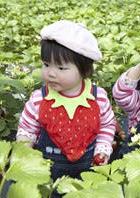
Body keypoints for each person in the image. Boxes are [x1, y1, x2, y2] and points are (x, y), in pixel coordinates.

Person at [16, 20, 116, 185]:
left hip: (88, 168)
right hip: (48, 168)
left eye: (61, 68)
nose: (51, 73)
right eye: (46, 64)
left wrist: (103, 150)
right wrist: (24, 147)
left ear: (86, 70)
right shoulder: (38, 99)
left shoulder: (98, 98)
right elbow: (27, 129)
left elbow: (106, 126)